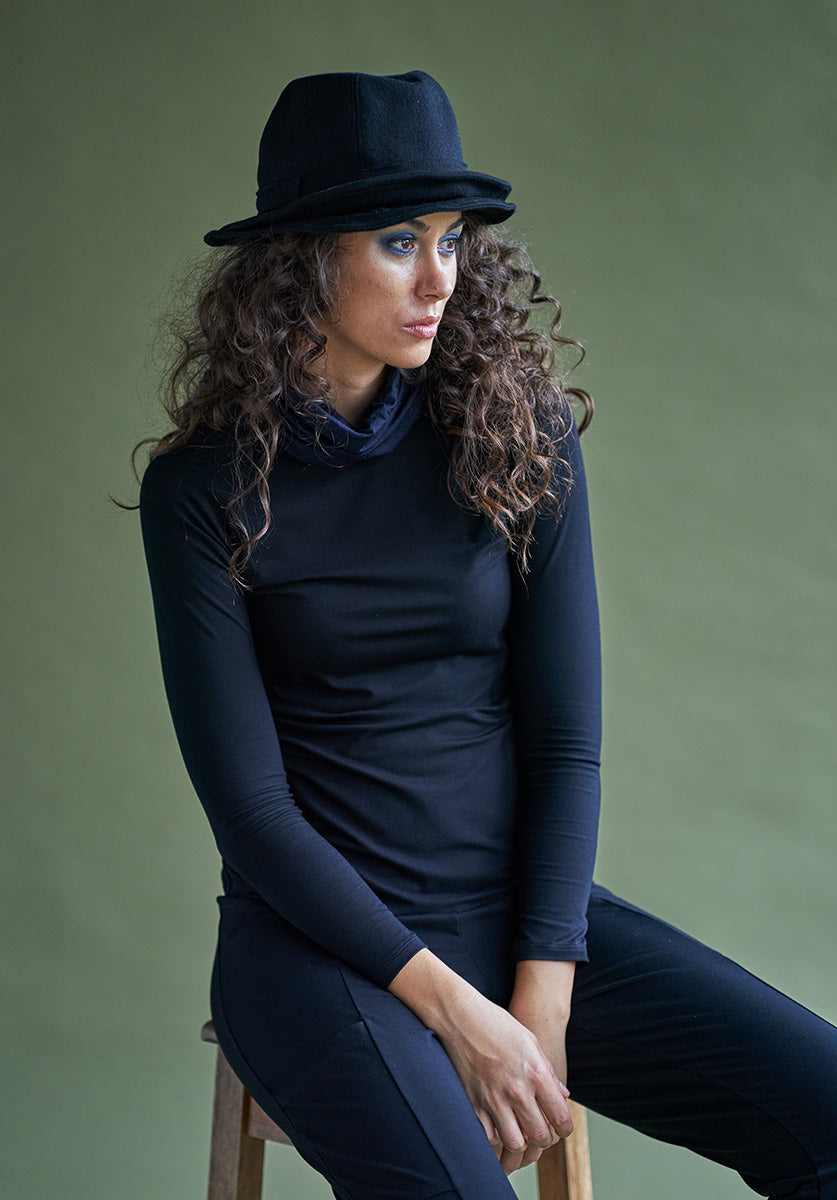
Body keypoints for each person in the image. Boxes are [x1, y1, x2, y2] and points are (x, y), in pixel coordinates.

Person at [137, 70, 837, 1199]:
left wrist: (541, 999)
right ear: (302, 260)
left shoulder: (517, 438)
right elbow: (254, 814)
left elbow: (565, 743)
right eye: (399, 242)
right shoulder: (202, 491)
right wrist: (461, 1016)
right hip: (319, 954)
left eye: (453, 242)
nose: (439, 279)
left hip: (518, 922)